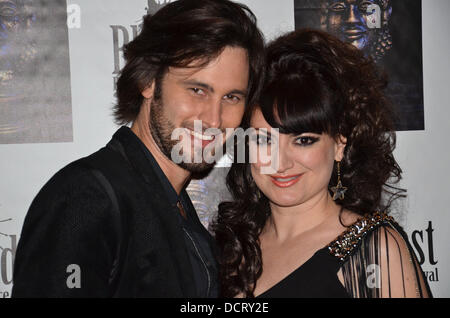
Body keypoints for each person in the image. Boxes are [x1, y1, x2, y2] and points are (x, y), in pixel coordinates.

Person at [12, 0, 265, 297]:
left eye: (232, 97)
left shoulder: (176, 206)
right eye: (197, 90)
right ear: (148, 81)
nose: (213, 118)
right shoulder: (85, 197)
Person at [213, 29, 432, 298]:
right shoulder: (234, 247)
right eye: (263, 141)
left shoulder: (372, 251)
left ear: (339, 144)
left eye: (303, 140)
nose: (280, 163)